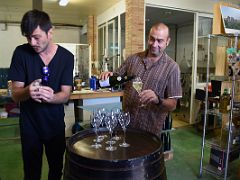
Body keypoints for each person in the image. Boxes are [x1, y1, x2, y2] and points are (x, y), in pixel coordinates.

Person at [100, 23, 182, 179]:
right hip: (125, 126)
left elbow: (172, 105)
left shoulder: (172, 68)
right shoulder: (133, 60)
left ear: (167, 42)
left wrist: (158, 99)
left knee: (143, 173)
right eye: (152, 39)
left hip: (149, 132)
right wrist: (108, 74)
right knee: (123, 170)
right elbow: (116, 77)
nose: (155, 44)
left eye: (160, 41)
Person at [8, 9, 74, 180]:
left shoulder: (66, 57)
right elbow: (15, 95)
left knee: (56, 169)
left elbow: (66, 94)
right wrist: (27, 91)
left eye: (36, 37)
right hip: (30, 126)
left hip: (55, 125)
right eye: (28, 37)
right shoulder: (21, 53)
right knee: (31, 172)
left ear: (50, 32)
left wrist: (52, 97)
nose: (32, 42)